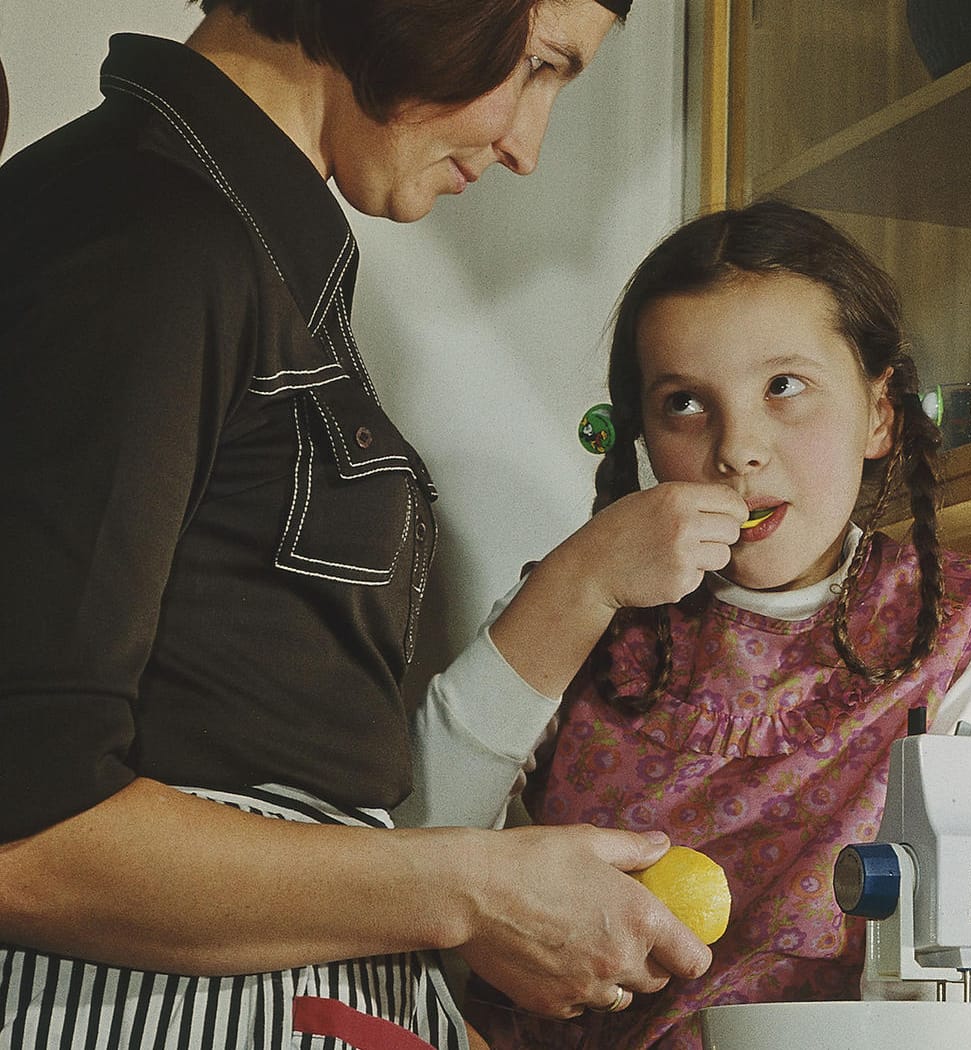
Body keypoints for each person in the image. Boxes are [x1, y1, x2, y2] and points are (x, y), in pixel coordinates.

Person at [0, 2, 716, 1047]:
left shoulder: (231, 241)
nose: (526, 145)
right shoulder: (145, 235)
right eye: (535, 65)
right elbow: (28, 824)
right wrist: (474, 891)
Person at [404, 200, 971, 1049]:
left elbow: (960, 939)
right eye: (684, 404)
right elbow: (413, 855)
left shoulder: (966, 619)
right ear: (643, 438)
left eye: (784, 387)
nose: (739, 447)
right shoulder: (577, 603)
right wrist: (583, 579)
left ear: (879, 412)